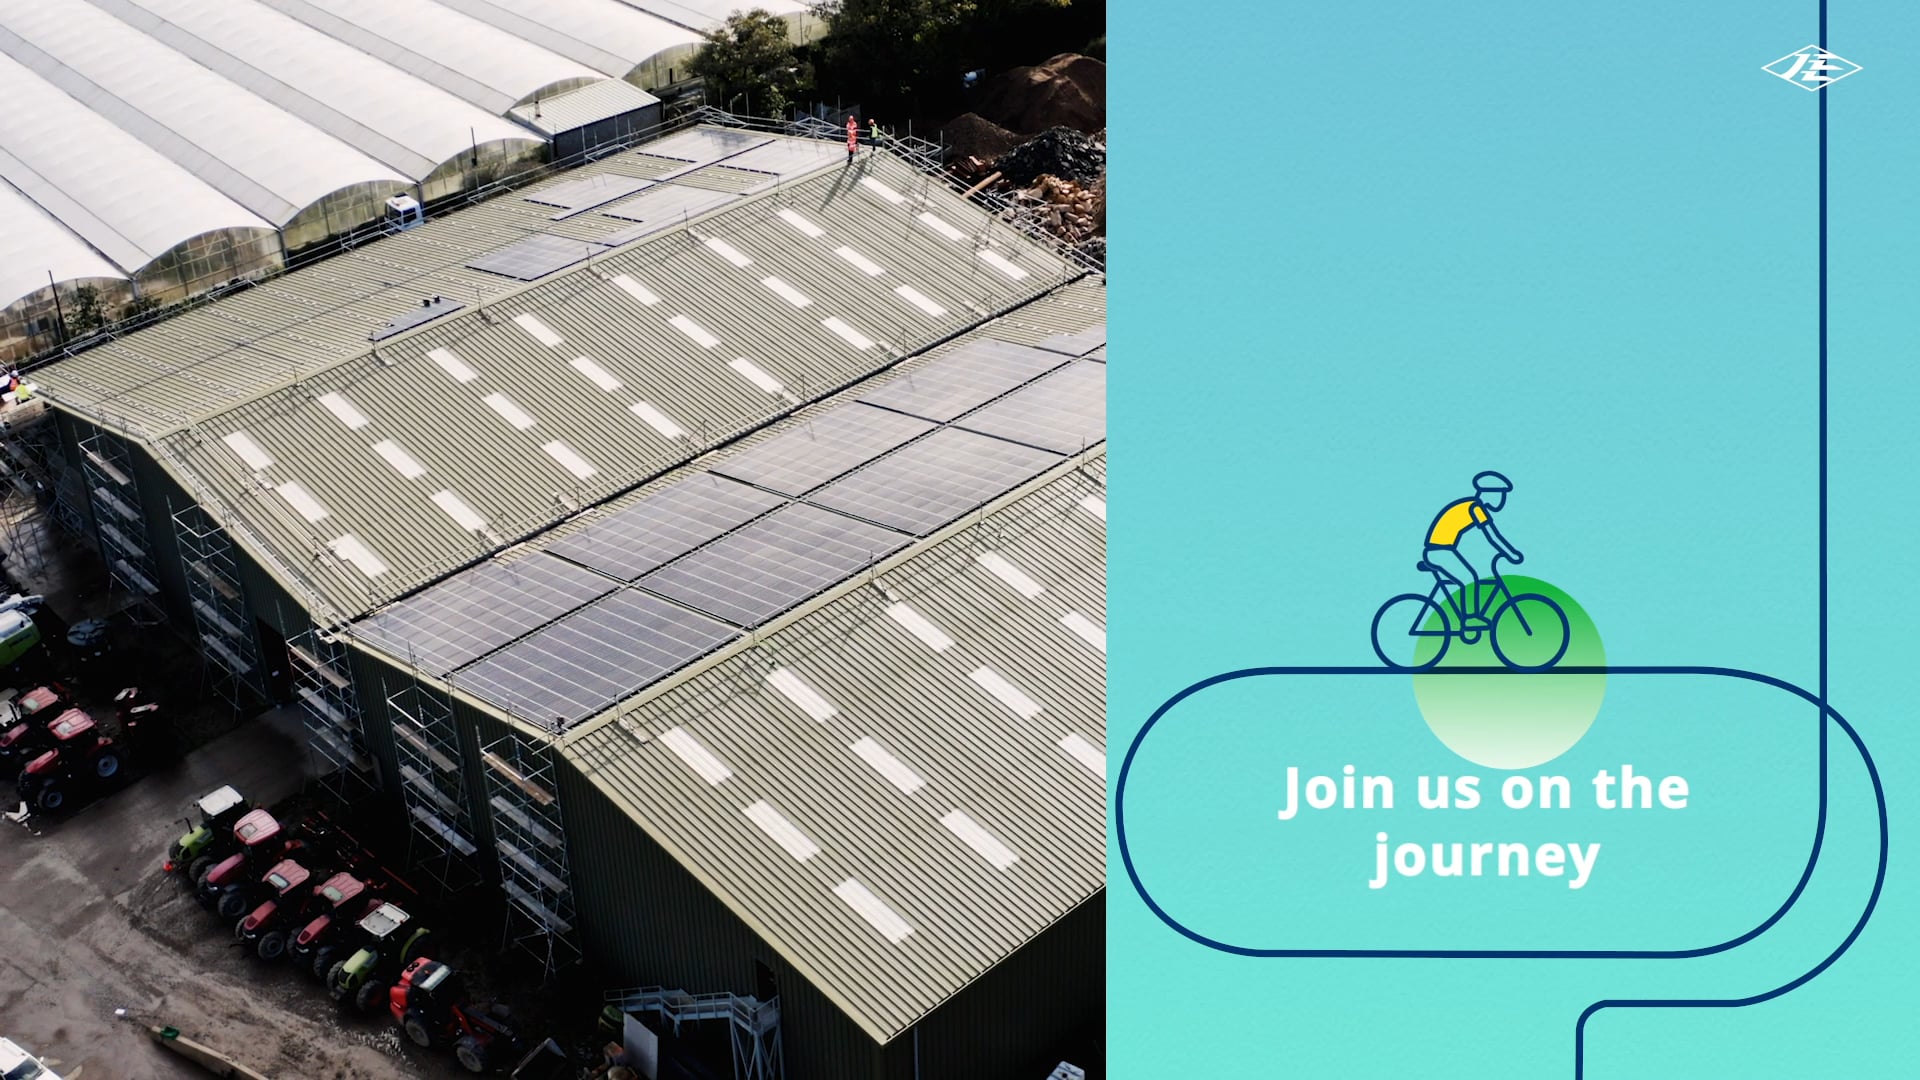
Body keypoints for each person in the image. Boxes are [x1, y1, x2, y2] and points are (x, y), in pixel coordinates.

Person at [1421, 471, 1522, 624]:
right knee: (1469, 578)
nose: (1502, 499)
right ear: (1490, 493)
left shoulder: (1474, 506)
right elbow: (1492, 536)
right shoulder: (1475, 508)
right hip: (1439, 551)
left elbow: (1490, 537)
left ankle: (1470, 616)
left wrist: (1507, 552)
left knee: (1472, 576)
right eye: (1500, 494)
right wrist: (1510, 553)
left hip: (1443, 549)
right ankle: (1469, 619)